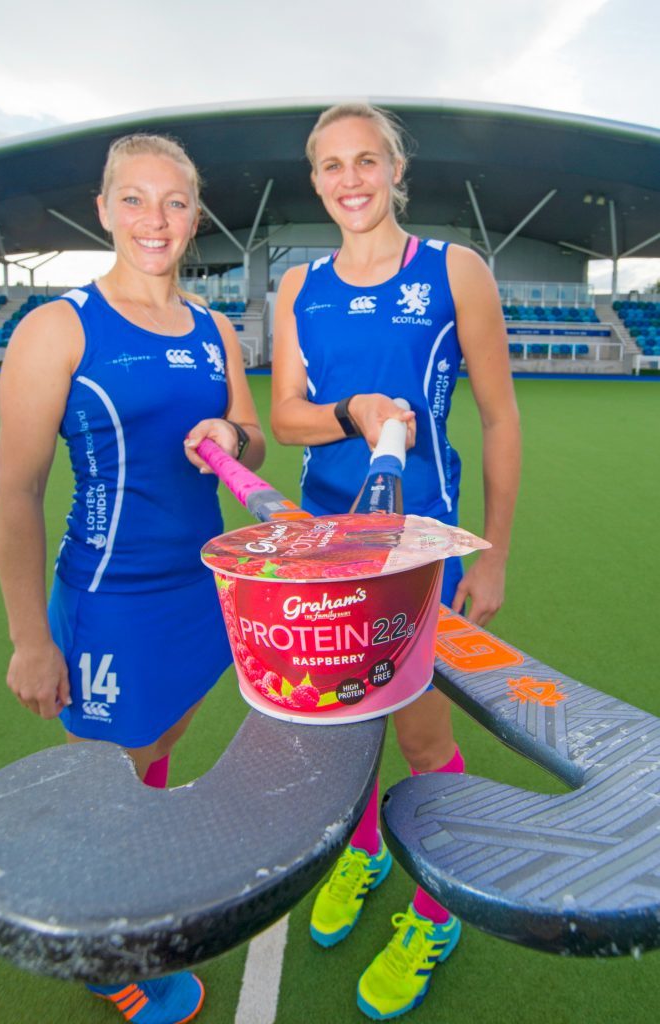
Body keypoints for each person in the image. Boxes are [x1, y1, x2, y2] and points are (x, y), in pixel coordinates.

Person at [0, 133, 265, 1024]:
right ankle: (100, 955)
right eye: (135, 200)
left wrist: (232, 439)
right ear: (105, 209)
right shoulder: (58, 327)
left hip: (203, 596)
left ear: (195, 216)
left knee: (158, 755)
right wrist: (33, 638)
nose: (157, 220)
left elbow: (250, 437)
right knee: (103, 787)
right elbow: (18, 493)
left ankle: (131, 889)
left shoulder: (214, 327)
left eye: (176, 202)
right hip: (110, 603)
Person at [271, 103, 521, 1020]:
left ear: (395, 170)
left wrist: (489, 557)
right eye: (332, 165)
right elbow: (289, 414)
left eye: (366, 160)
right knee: (341, 722)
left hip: (417, 548)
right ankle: (368, 849)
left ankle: (433, 907)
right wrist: (353, 412)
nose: (350, 179)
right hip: (323, 542)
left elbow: (498, 417)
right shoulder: (298, 285)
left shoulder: (455, 272)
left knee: (419, 736)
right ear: (315, 181)